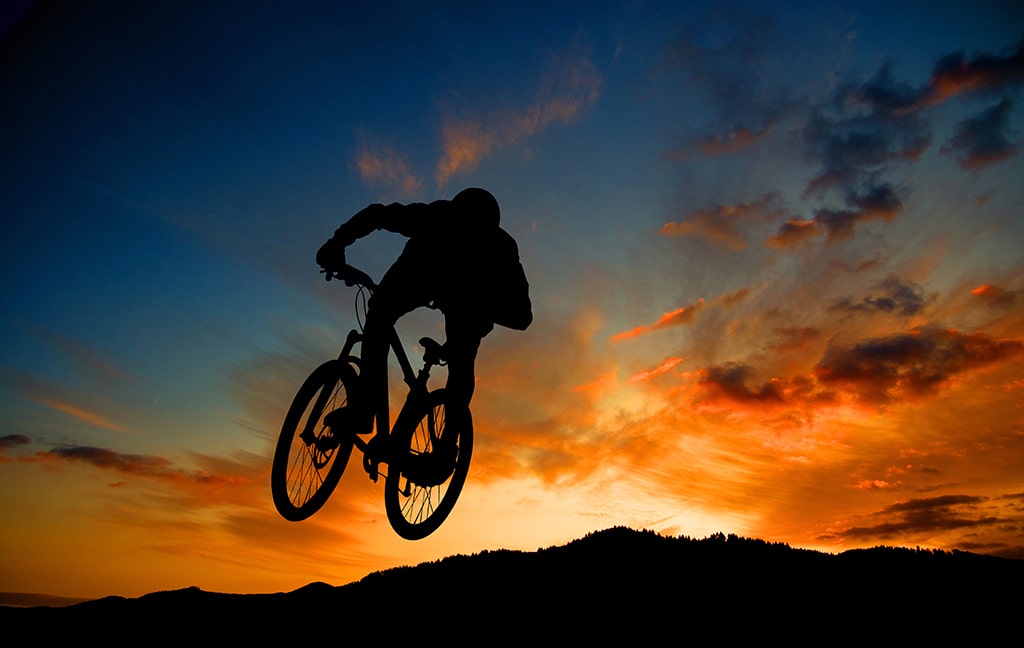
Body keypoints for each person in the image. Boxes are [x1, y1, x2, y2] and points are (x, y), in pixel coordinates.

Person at [315, 187, 532, 466]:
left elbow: (522, 316)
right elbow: (379, 215)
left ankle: (444, 446)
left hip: (463, 298)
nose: (463, 239)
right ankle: (368, 410)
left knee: (456, 355)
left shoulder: (497, 247)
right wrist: (338, 242)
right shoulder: (437, 218)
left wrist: (474, 304)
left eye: (472, 236)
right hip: (421, 276)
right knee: (383, 316)